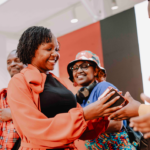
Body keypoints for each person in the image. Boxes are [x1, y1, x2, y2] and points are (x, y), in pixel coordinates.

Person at [7, 26, 122, 150]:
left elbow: (80, 130)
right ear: (31, 50)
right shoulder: (18, 81)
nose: (55, 54)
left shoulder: (58, 81)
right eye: (49, 49)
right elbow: (34, 129)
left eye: (57, 49)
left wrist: (101, 112)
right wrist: (84, 115)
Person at [67, 50, 137, 150]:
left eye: (85, 66)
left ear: (96, 71)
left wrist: (81, 127)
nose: (78, 70)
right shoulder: (77, 99)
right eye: (75, 68)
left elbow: (117, 124)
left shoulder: (103, 87)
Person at [0, 50, 24, 150]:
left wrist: (12, 114)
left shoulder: (38, 90)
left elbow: (44, 117)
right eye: (9, 62)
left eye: (17, 60)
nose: (12, 64)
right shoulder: (3, 94)